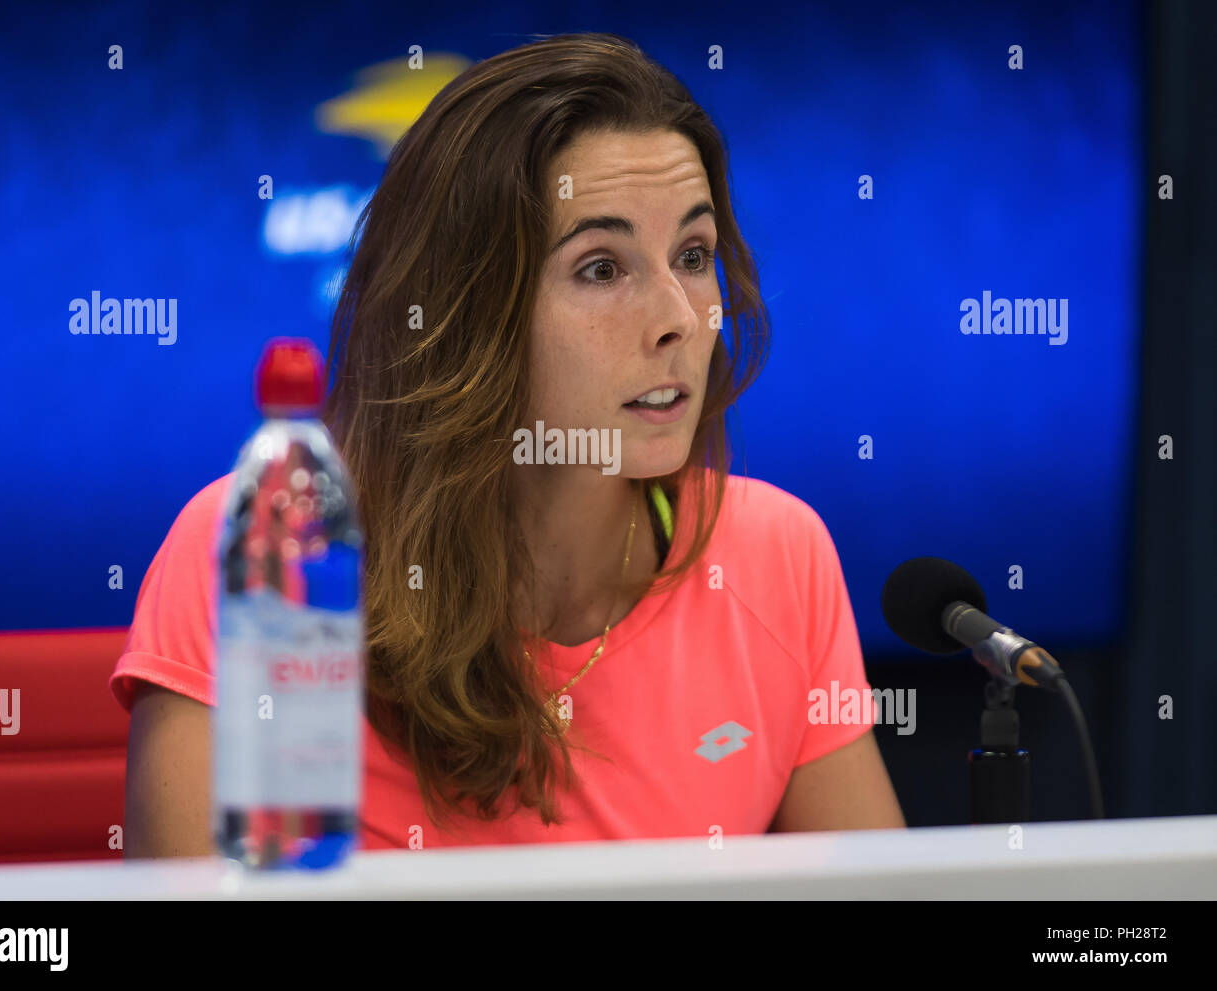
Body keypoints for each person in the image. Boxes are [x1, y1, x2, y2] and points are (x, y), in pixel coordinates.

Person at [112, 32, 905, 856]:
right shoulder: (271, 545)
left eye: (694, 255)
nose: (679, 317)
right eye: (601, 267)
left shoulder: (781, 556)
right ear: (466, 312)